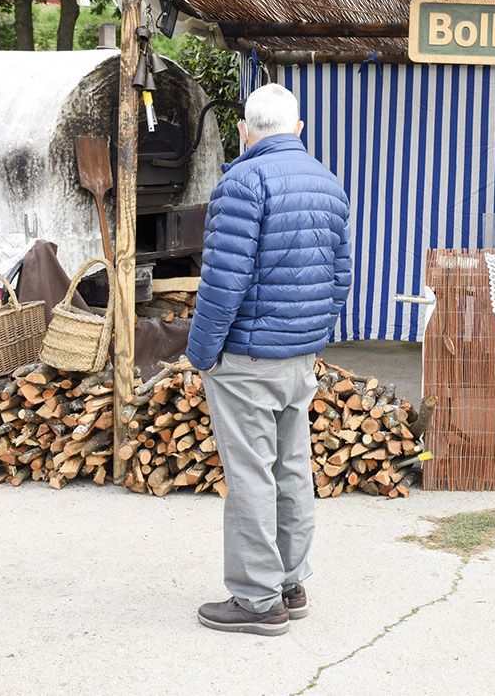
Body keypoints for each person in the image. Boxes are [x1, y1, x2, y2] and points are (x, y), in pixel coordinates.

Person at [185, 84, 352, 635]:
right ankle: (290, 584)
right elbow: (340, 276)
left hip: (248, 357)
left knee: (252, 476)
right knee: (292, 469)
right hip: (299, 355)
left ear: (244, 129)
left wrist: (202, 352)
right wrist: (316, 338)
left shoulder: (242, 181)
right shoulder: (326, 181)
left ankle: (257, 601)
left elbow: (222, 281)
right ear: (298, 130)